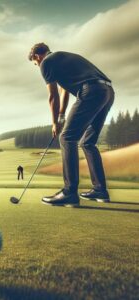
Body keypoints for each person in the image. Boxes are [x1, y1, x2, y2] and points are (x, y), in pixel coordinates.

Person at [28, 43, 114, 206]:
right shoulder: (62, 59)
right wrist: (61, 117)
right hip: (107, 92)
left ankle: (69, 193)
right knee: (87, 142)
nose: (37, 66)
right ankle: (100, 190)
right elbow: (63, 91)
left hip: (91, 91)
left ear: (37, 56)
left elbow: (53, 95)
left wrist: (54, 123)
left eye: (35, 63)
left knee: (67, 138)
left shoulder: (47, 62)